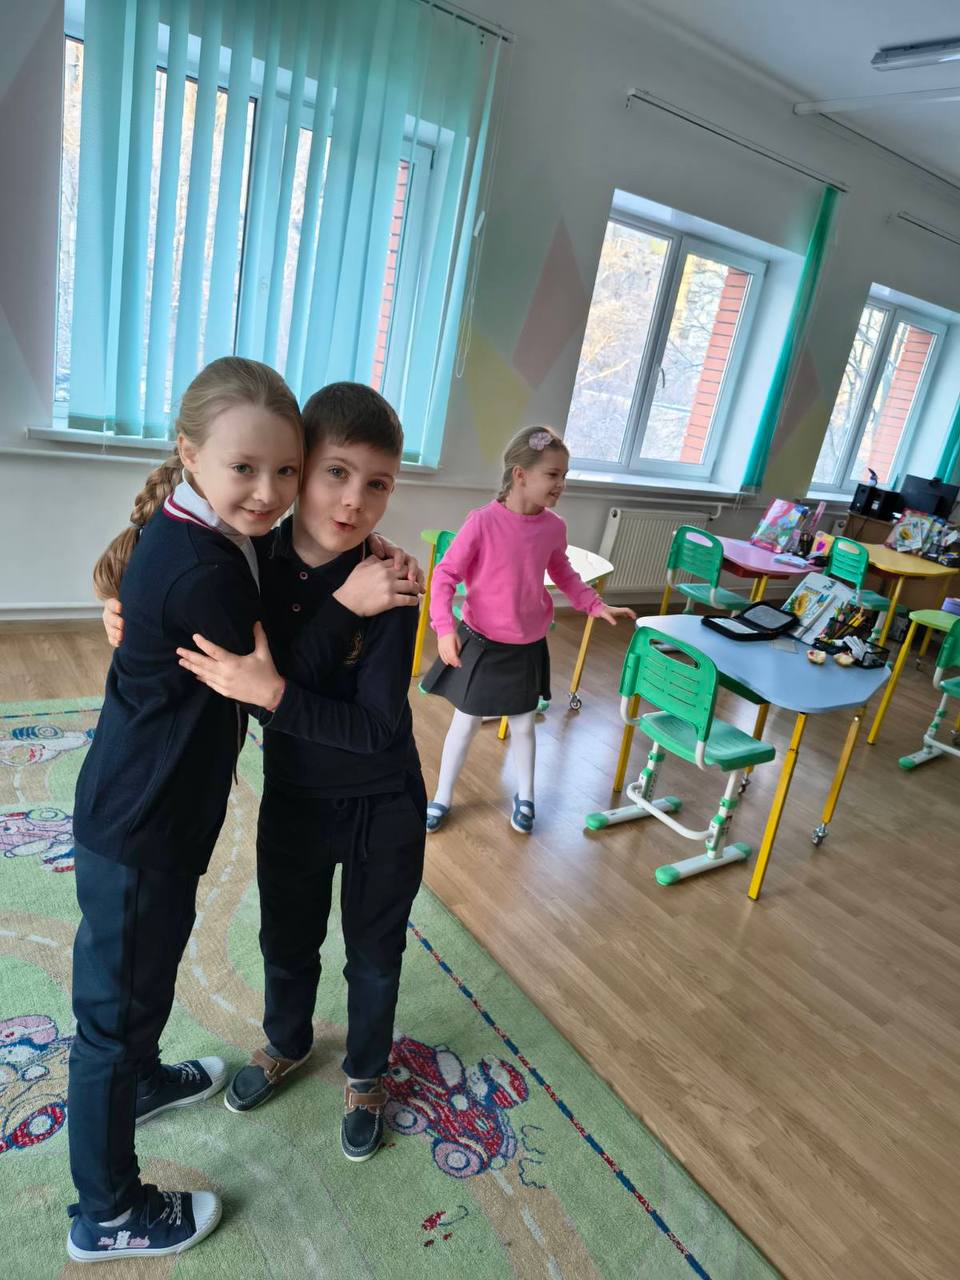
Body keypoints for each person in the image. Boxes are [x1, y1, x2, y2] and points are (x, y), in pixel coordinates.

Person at [66, 357, 304, 1263]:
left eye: (286, 470)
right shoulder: (201, 568)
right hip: (140, 822)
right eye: (246, 468)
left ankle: (138, 1082)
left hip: (153, 810)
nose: (269, 492)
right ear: (190, 454)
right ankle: (107, 1212)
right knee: (111, 1018)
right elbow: (276, 674)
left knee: (145, 974)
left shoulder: (207, 531)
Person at [168, 383, 425, 1164]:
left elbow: (372, 728)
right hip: (295, 799)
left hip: (384, 804)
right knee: (285, 938)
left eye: (377, 484)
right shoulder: (253, 565)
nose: (354, 501)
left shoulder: (391, 582)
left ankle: (366, 1074)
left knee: (375, 955)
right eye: (336, 473)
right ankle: (286, 1041)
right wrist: (120, 609)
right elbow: (239, 681)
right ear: (301, 469)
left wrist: (276, 695)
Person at [421, 426, 635, 835]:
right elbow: (445, 576)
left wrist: (594, 604)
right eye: (552, 474)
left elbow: (564, 573)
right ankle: (442, 796)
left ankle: (526, 796)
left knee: (522, 724)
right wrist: (444, 629)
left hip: (525, 645)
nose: (561, 484)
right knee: (465, 722)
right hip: (481, 642)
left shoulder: (553, 527)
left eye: (564, 475)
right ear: (520, 474)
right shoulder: (482, 522)